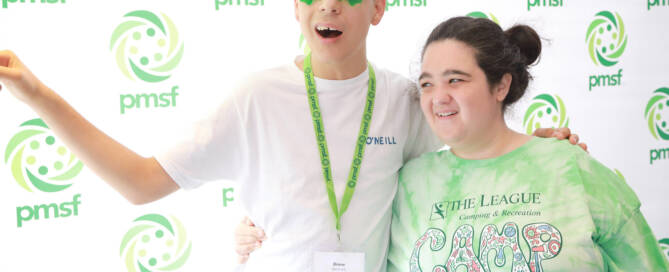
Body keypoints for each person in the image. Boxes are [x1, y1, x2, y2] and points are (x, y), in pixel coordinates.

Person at [0, 1, 583, 271]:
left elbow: (471, 152)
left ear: (378, 8)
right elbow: (140, 183)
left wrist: (536, 148)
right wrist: (38, 96)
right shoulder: (255, 96)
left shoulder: (408, 99)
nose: (329, 6)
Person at [386, 17, 669, 271]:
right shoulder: (410, 184)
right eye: (427, 84)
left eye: (455, 80)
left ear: (501, 86)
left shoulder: (570, 167)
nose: (439, 97)